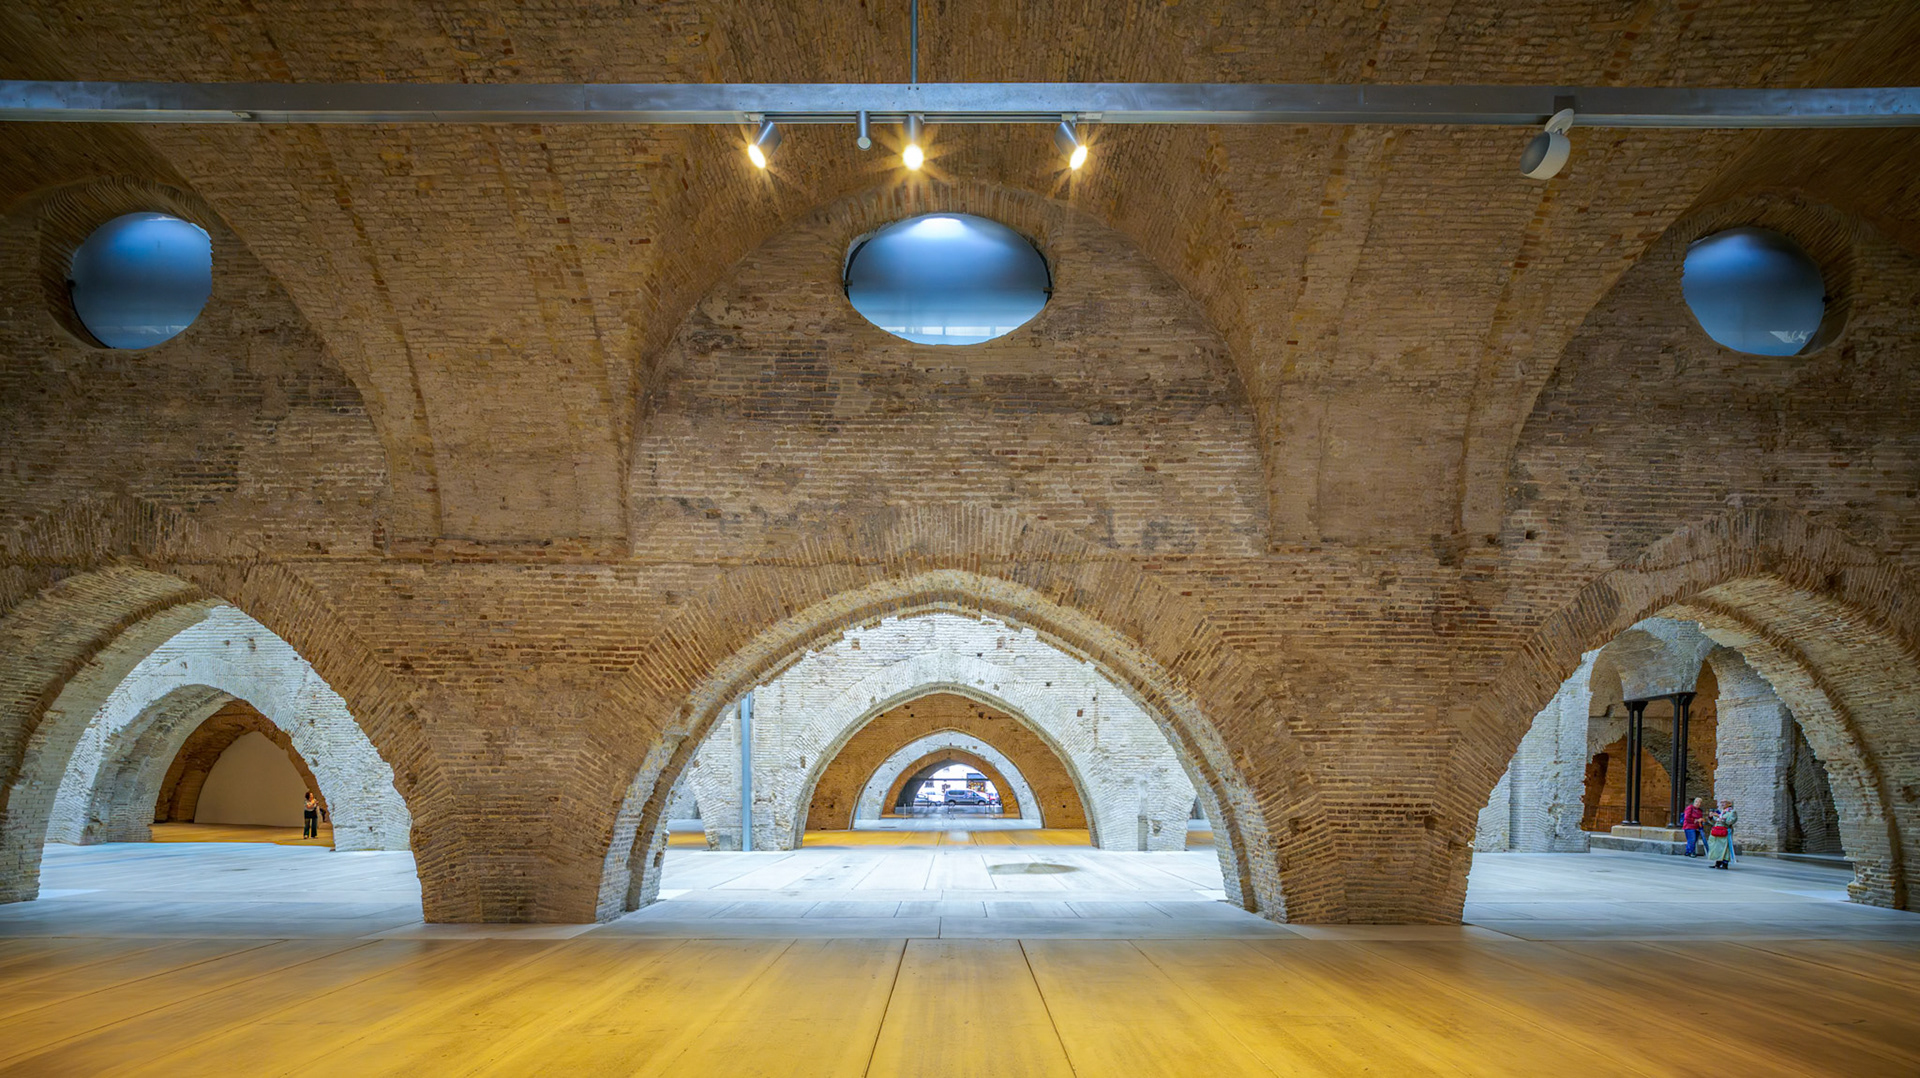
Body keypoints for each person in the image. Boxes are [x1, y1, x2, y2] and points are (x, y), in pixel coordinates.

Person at [1706, 798, 1737, 869]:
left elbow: (1730, 822)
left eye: (1724, 802)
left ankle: (1725, 863)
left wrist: (1720, 817)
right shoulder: (1721, 811)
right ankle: (1717, 862)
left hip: (1725, 831)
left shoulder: (1732, 812)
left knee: (1725, 848)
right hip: (1716, 831)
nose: (1722, 804)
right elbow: (1714, 822)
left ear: (1729, 804)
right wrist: (1711, 818)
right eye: (1721, 802)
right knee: (1716, 847)